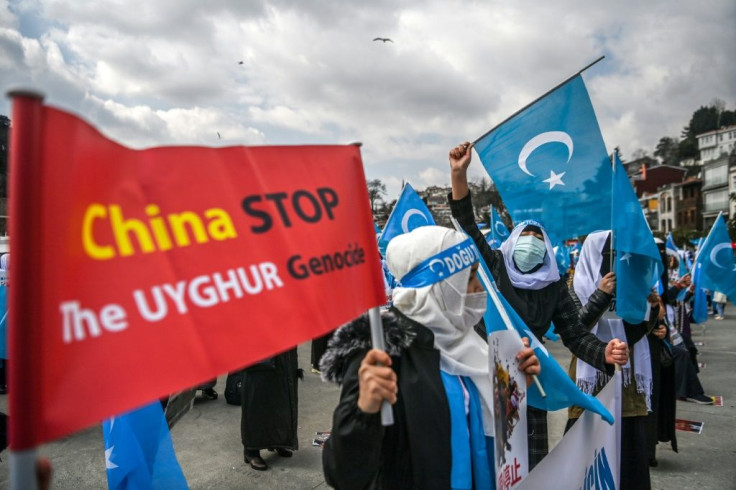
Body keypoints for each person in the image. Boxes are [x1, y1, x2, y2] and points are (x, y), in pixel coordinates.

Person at [448, 142, 629, 468]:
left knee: (529, 465)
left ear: (546, 249)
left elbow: (574, 333)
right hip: (484, 374)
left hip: (530, 379)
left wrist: (603, 352)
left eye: (537, 237)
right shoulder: (497, 266)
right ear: (512, 242)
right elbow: (468, 227)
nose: (530, 242)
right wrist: (459, 174)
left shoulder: (554, 285)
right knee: (489, 460)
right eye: (525, 235)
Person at [321, 225, 540, 489]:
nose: (479, 287)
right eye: (470, 277)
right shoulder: (382, 351)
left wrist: (515, 384)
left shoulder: (471, 341)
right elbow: (342, 473)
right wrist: (362, 412)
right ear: (443, 286)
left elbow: (487, 424)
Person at [567, 230, 658, 490]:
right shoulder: (575, 288)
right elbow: (575, 329)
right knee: (586, 457)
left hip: (627, 384)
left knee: (629, 458)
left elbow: (637, 334)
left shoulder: (632, 285)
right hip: (590, 381)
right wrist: (601, 295)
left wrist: (651, 308)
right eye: (609, 257)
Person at [241, 348, 299, 471]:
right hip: (259, 346)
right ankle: (251, 450)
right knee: (256, 400)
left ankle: (278, 441)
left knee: (281, 398)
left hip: (283, 347)